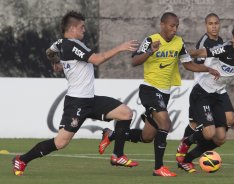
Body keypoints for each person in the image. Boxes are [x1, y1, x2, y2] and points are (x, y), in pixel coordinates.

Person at [12, 10, 140, 176]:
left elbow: (49, 52)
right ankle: (22, 159)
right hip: (77, 103)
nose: (84, 30)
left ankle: (118, 155)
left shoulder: (60, 43)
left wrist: (56, 64)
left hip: (90, 100)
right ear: (72, 28)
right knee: (60, 143)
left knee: (125, 113)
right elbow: (97, 59)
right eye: (81, 27)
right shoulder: (73, 45)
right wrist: (120, 48)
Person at [98, 12, 220, 177]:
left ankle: (112, 134)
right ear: (162, 25)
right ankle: (158, 168)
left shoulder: (179, 43)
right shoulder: (150, 40)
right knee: (165, 123)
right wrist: (150, 51)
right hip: (149, 89)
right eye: (172, 26)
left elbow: (188, 65)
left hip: (165, 93)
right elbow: (134, 61)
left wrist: (207, 69)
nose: (174, 29)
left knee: (147, 136)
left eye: (176, 26)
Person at [176, 20, 234, 173]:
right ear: (233, 37)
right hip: (202, 92)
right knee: (209, 133)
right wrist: (182, 53)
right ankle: (186, 141)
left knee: (220, 138)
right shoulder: (224, 49)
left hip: (218, 94)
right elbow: (202, 52)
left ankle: (187, 159)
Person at [176, 13, 224, 172]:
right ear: (206, 25)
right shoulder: (204, 42)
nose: (214, 26)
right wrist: (208, 70)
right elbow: (194, 63)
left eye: (216, 23)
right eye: (210, 23)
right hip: (201, 92)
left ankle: (184, 154)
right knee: (203, 129)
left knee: (198, 127)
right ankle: (184, 152)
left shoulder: (221, 42)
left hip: (214, 91)